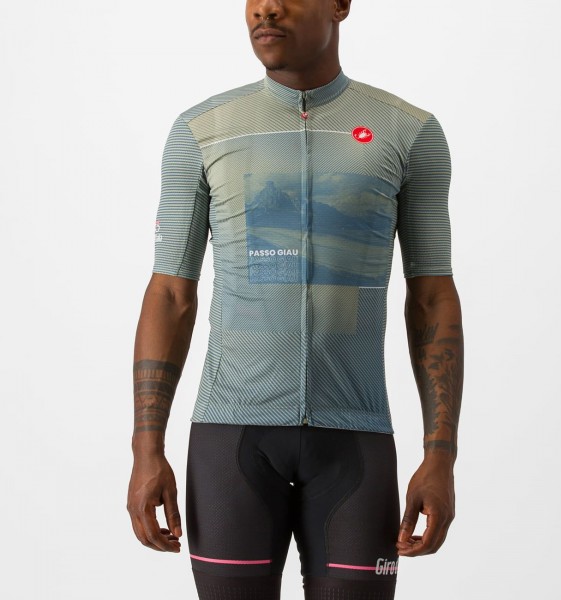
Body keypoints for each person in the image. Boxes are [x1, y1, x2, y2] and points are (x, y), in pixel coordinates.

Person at [127, 1, 464, 598]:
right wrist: (145, 449)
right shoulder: (202, 130)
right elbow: (171, 293)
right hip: (231, 438)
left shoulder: (407, 132)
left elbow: (433, 297)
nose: (267, 8)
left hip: (356, 437)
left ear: (340, 5)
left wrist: (441, 457)